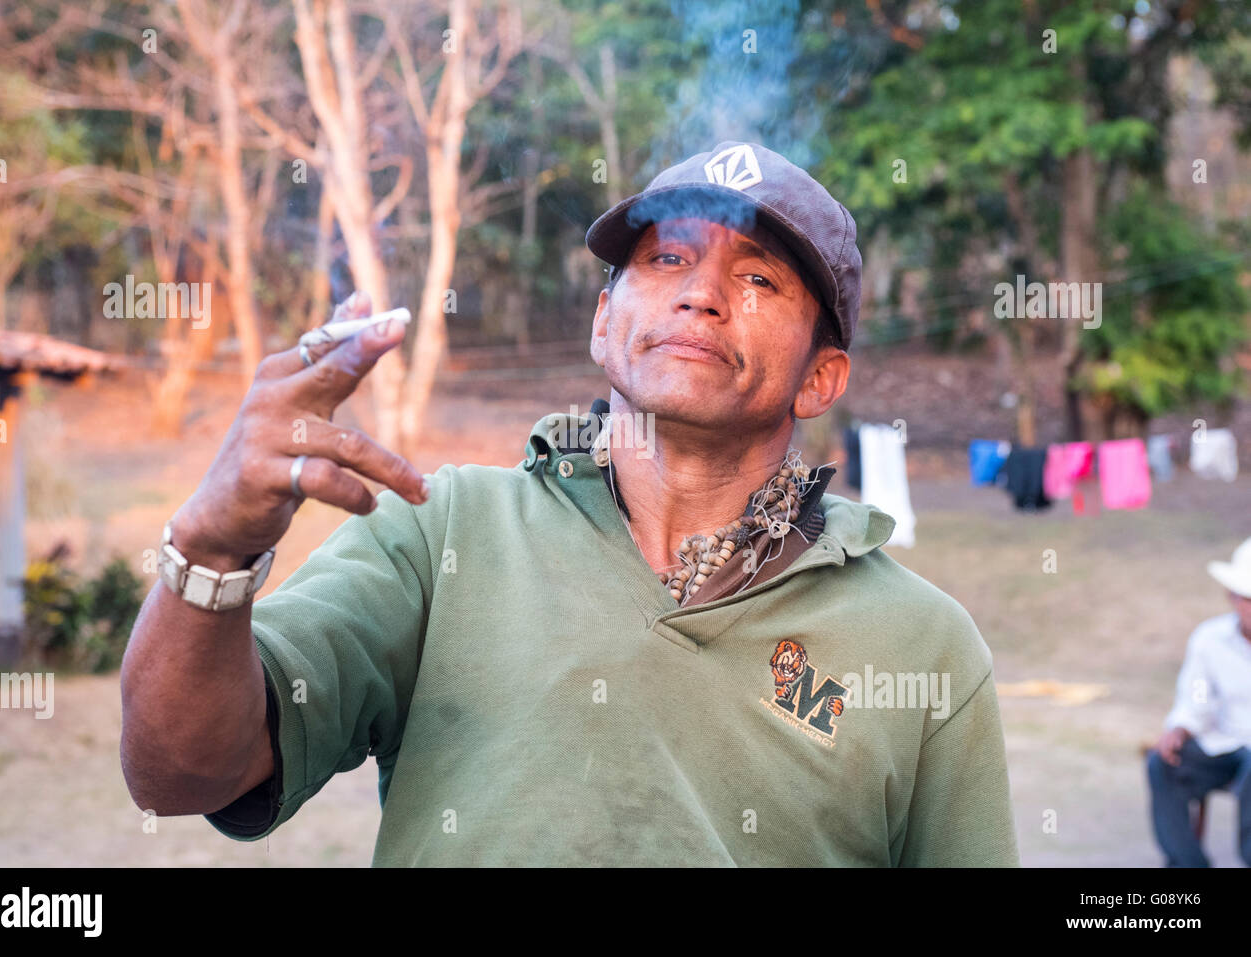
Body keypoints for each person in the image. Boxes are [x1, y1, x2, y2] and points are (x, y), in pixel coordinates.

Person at [120, 141, 1020, 866]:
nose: (701, 294)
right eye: (667, 256)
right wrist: (211, 548)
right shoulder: (445, 531)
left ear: (822, 378)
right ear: (602, 321)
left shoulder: (924, 646)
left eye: (758, 279)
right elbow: (177, 772)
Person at [1146, 537, 1251, 867]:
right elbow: (1197, 699)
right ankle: (1188, 862)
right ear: (1231, 598)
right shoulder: (1211, 639)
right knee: (1163, 763)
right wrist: (1180, 728)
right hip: (1225, 743)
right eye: (1246, 597)